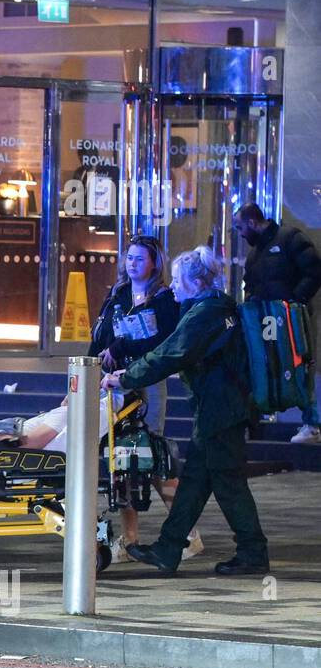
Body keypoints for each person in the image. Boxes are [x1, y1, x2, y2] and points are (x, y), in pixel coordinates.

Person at [102, 247, 270, 576]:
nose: (173, 286)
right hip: (217, 409)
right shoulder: (208, 308)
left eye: (178, 280)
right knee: (194, 481)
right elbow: (173, 350)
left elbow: (172, 354)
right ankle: (169, 548)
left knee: (229, 482)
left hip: (222, 411)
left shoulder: (207, 313)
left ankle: (253, 552)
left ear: (195, 281)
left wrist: (129, 375)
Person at [88, 234, 198, 560]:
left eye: (139, 258)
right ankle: (130, 537)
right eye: (129, 257)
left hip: (147, 383)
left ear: (154, 263)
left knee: (152, 458)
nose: (132, 263)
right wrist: (90, 371)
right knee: (121, 460)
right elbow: (101, 337)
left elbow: (161, 343)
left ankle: (187, 533)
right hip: (114, 382)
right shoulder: (118, 294)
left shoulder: (165, 298)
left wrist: (121, 348)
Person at [233, 202, 321, 443]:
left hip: (293, 318)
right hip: (266, 319)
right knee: (262, 364)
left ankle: (311, 424)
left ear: (252, 222)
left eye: (241, 227)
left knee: (300, 364)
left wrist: (295, 301)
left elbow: (314, 270)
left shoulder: (289, 238)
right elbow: (249, 284)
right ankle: (253, 423)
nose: (240, 233)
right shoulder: (254, 254)